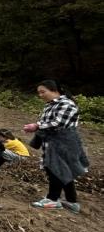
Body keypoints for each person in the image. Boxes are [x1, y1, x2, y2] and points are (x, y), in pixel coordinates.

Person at [24, 80, 89, 213]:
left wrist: (36, 126)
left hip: (64, 142)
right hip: (53, 141)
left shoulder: (67, 104)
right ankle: (72, 201)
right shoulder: (50, 105)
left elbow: (59, 123)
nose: (40, 95)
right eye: (39, 93)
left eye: (43, 92)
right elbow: (46, 121)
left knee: (56, 169)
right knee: (63, 170)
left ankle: (53, 199)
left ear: (54, 90)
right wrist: (37, 124)